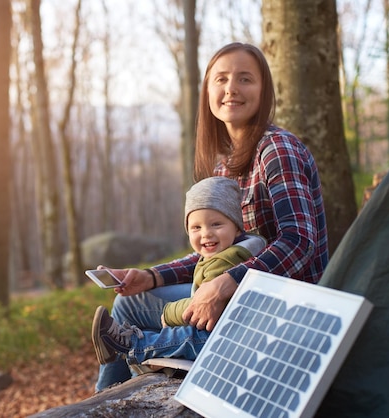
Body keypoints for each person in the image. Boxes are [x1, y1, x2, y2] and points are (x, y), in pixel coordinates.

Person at [93, 42, 328, 391]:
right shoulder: (225, 164)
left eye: (245, 79)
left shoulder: (278, 150)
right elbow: (215, 247)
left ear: (264, 91)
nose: (231, 88)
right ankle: (107, 403)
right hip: (241, 293)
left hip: (280, 308)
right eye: (221, 79)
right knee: (128, 301)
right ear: (208, 91)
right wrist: (150, 277)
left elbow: (299, 242)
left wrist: (227, 283)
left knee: (141, 316)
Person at [92, 176, 267, 365]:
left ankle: (134, 344)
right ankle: (129, 355)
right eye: (196, 227)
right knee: (184, 331)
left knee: (187, 336)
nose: (206, 233)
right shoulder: (234, 248)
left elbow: (200, 305)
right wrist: (151, 275)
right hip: (227, 323)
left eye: (216, 224)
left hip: (227, 333)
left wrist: (168, 313)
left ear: (237, 228)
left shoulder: (226, 259)